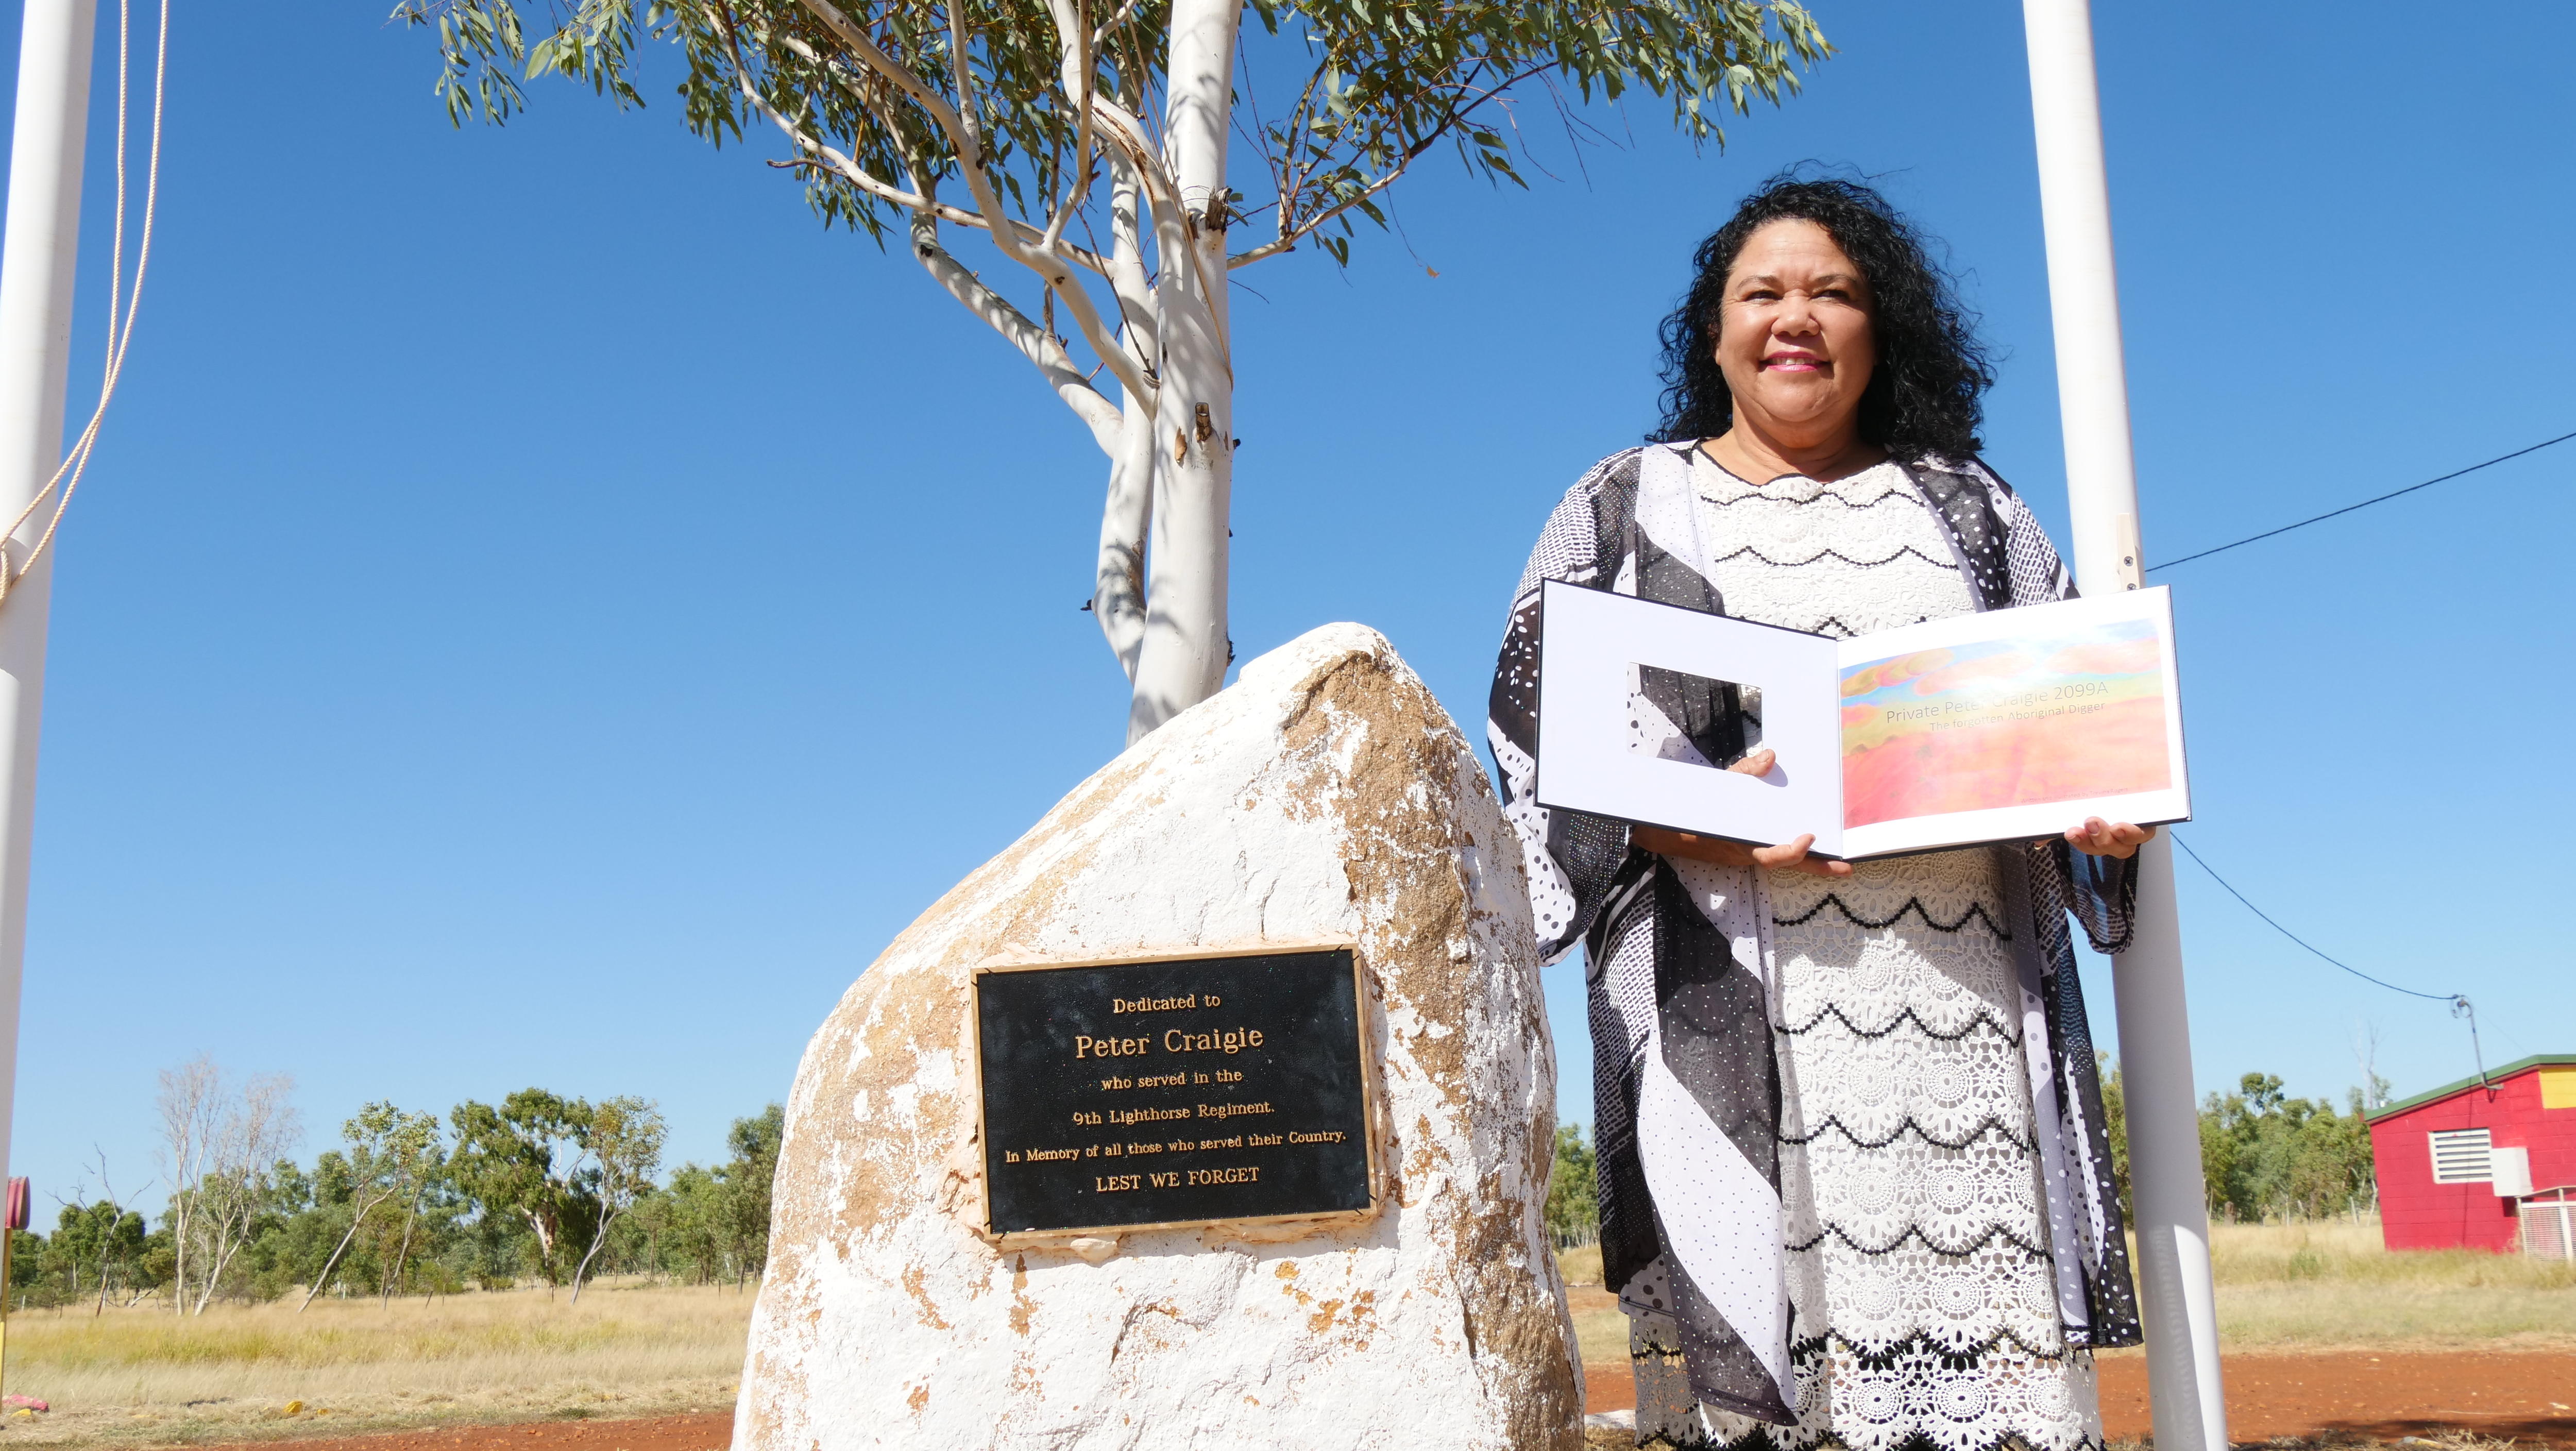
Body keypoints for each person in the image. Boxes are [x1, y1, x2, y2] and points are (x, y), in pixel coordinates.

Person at [1487, 174, 2150, 1451]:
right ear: (1716, 330)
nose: (1798, 316)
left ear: (1879, 327)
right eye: (1764, 292)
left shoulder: (1970, 511)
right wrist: (1682, 816)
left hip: (1959, 1034)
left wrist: (2101, 818)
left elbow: (2072, 718)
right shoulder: (1621, 505)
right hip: (1722, 1040)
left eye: (1833, 292)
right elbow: (1533, 761)